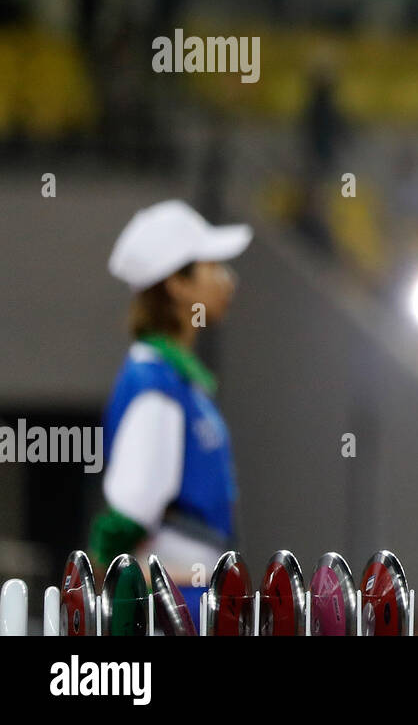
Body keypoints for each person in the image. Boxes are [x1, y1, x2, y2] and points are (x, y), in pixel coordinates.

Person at [90, 200, 252, 619]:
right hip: (177, 608)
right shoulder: (155, 383)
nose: (228, 280)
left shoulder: (177, 382)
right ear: (178, 285)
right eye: (213, 266)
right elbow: (129, 514)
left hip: (195, 599)